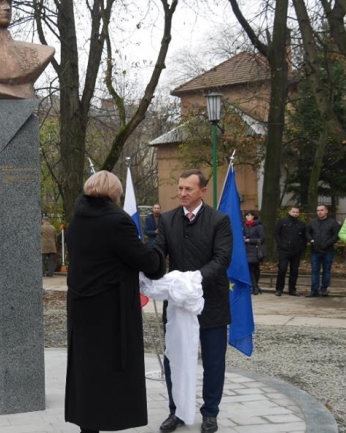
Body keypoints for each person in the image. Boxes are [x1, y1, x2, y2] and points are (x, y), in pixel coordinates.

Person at [64, 171, 165, 433]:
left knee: (87, 372)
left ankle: (88, 425)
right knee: (110, 373)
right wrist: (158, 252)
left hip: (82, 309)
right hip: (111, 312)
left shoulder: (76, 222)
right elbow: (149, 264)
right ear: (113, 193)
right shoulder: (116, 222)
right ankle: (107, 421)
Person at [154, 169, 232, 433]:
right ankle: (176, 411)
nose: (182, 194)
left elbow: (222, 259)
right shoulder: (166, 220)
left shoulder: (219, 220)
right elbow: (157, 253)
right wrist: (145, 267)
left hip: (211, 302)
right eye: (180, 188)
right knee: (174, 358)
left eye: (188, 189)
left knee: (213, 361)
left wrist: (195, 280)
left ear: (202, 191)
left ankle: (210, 413)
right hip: (177, 304)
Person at [306, 204, 340, 297]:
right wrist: (312, 240)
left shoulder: (333, 223)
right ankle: (314, 290)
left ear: (326, 211)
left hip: (328, 250)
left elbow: (337, 235)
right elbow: (307, 232)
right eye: (318, 210)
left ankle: (324, 289)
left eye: (321, 210)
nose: (319, 212)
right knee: (315, 270)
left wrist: (328, 243)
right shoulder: (312, 222)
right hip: (315, 250)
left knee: (326, 271)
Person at [274, 206, 306, 296]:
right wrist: (280, 244)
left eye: (297, 212)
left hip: (296, 251)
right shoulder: (282, 221)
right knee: (282, 270)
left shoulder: (301, 224)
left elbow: (304, 237)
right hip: (284, 250)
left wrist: (301, 247)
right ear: (289, 212)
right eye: (293, 212)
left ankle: (292, 289)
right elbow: (276, 233)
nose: (295, 213)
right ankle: (279, 289)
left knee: (294, 271)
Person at [243, 210, 265, 295]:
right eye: (246, 215)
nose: (247, 217)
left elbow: (262, 239)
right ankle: (254, 287)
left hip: (256, 250)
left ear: (253, 216)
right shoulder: (245, 225)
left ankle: (255, 286)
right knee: (250, 269)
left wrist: (250, 240)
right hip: (247, 250)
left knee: (256, 269)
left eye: (249, 215)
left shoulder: (259, 226)